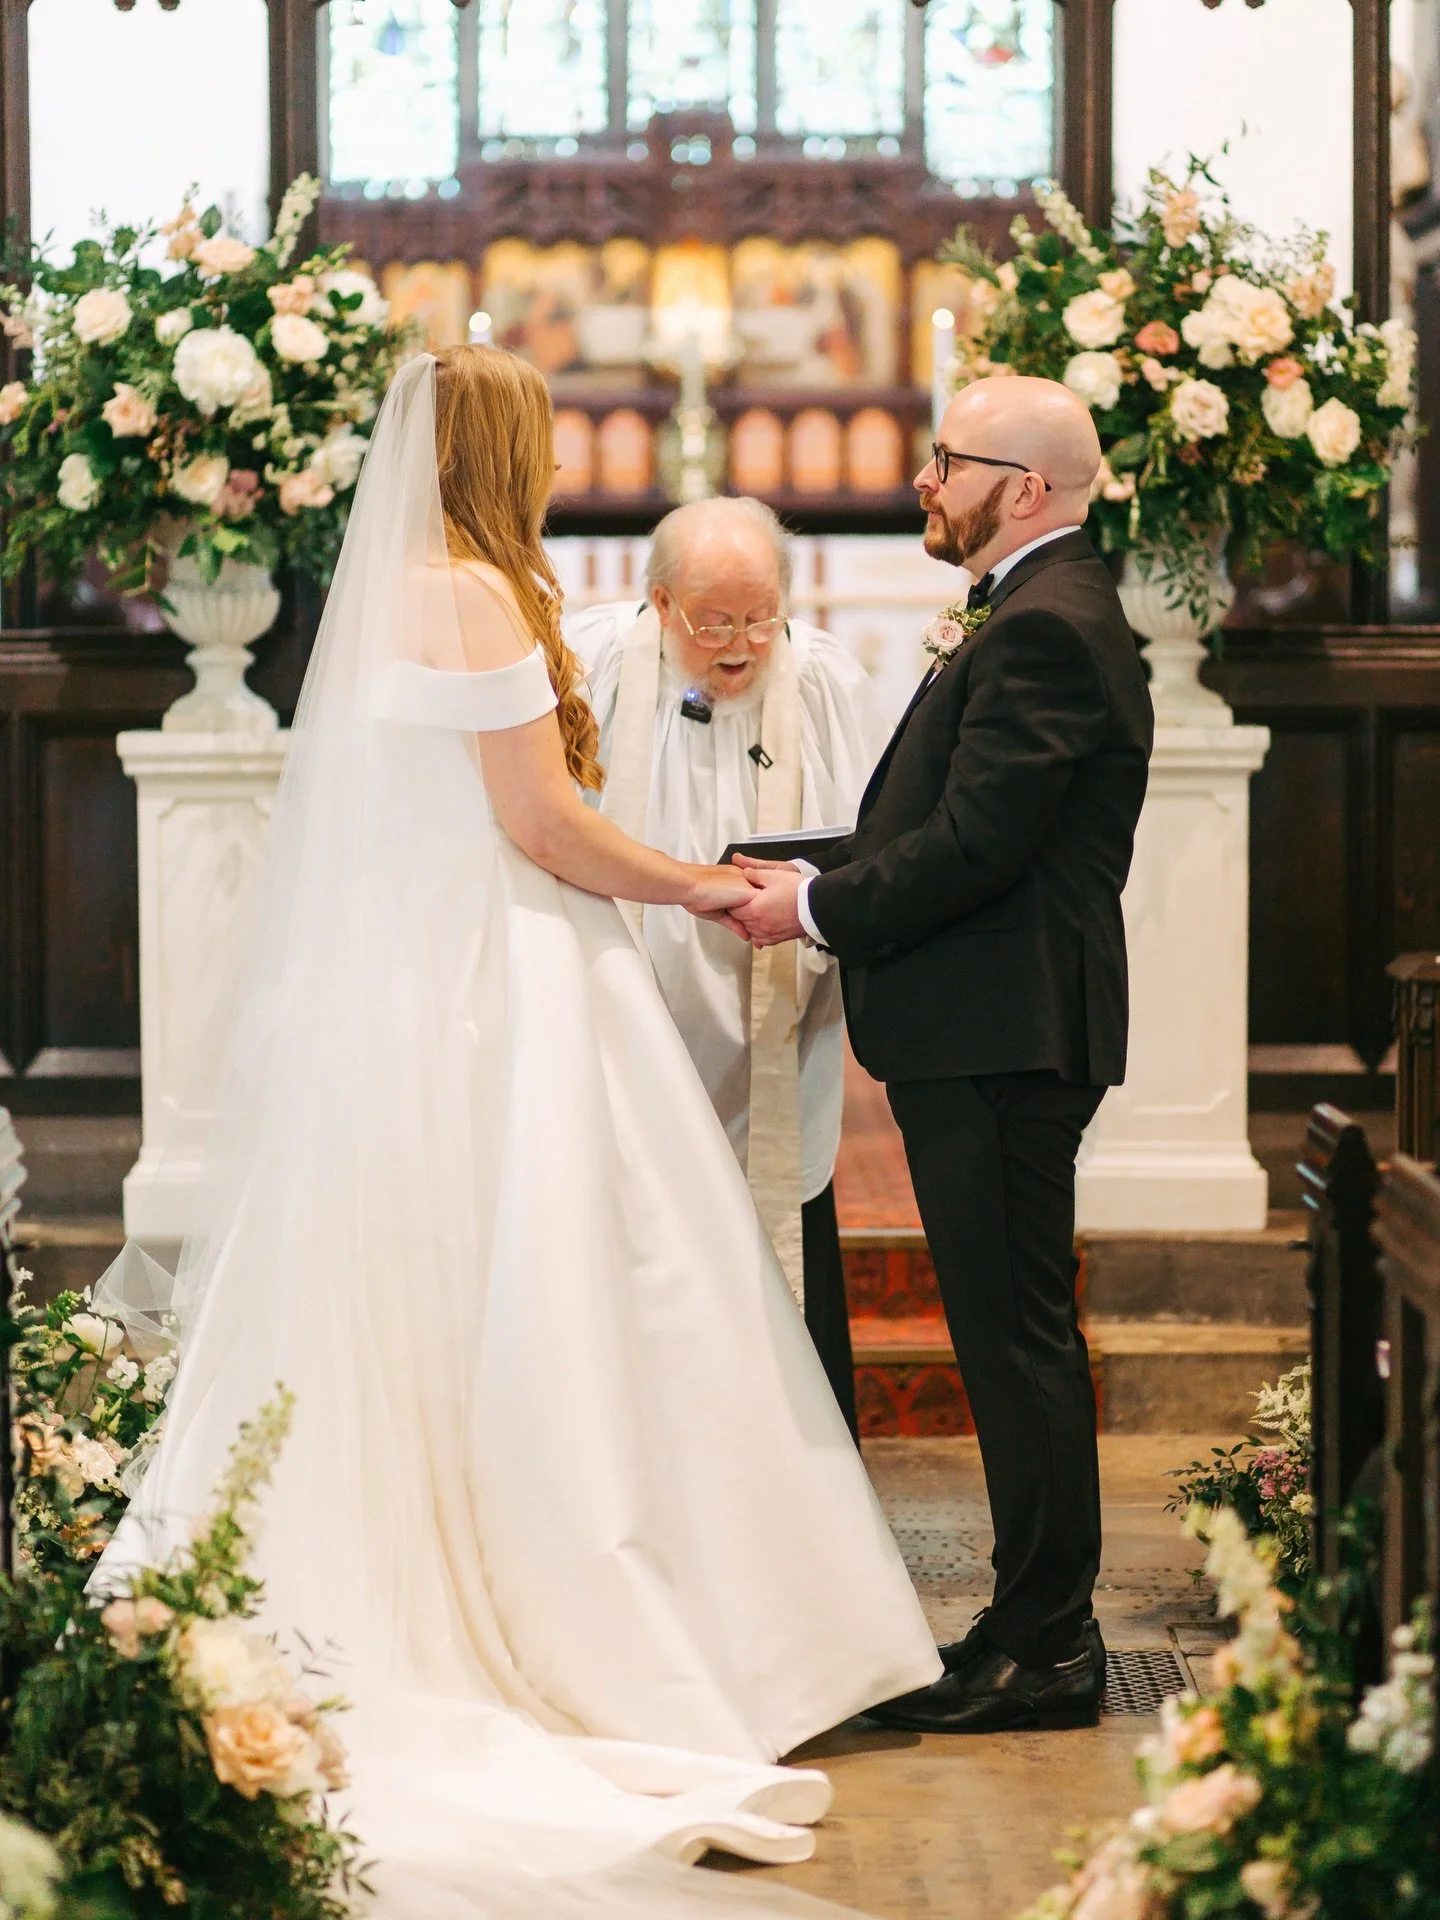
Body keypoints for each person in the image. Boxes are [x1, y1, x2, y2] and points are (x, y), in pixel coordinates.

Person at [92, 348, 941, 1913]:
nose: (554, 469)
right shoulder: (474, 591)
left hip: (412, 981)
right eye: (539, 445)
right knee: (589, 1288)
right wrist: (702, 884)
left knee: (434, 1298)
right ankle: (603, 1615)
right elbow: (538, 823)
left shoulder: (405, 588)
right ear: (499, 450)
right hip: (508, 975)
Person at [731, 374, 1154, 1735]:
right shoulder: (1035, 612)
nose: (923, 482)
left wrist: (805, 905)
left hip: (1005, 1030)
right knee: (1001, 1334)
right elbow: (939, 821)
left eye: (946, 463)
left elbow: (978, 851)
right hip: (993, 1023)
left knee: (1017, 1342)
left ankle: (1053, 1647)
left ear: (1022, 488)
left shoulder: (1046, 629)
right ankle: (1027, 1620)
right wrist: (786, 865)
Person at [569, 498, 890, 1440]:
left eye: (762, 615)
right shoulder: (592, 665)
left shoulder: (823, 677)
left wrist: (809, 908)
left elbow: (874, 838)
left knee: (773, 1223)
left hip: (777, 1013)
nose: (743, 644)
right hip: (620, 1008)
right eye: (714, 621)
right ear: (660, 604)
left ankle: (791, 1460)